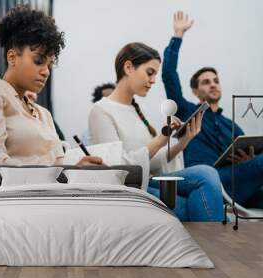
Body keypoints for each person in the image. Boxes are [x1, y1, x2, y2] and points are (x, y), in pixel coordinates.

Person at [0, 5, 102, 192]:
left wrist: (77, 169)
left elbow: (58, 167)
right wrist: (59, 178)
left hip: (38, 198)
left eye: (50, 64)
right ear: (12, 57)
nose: (46, 71)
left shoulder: (43, 114)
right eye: (39, 61)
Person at [88, 42, 223, 221]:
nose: (153, 80)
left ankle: (209, 243)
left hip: (153, 180)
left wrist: (184, 140)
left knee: (206, 176)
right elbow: (116, 170)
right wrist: (160, 139)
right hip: (133, 189)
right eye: (150, 73)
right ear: (128, 67)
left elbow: (153, 161)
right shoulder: (101, 111)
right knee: (206, 191)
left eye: (155, 75)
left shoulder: (137, 110)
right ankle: (215, 242)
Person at [162, 11, 263, 209]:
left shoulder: (232, 126)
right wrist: (178, 35)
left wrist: (250, 159)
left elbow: (250, 158)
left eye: (216, 81)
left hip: (240, 186)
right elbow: (168, 75)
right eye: (206, 82)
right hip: (211, 181)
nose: (213, 85)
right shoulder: (188, 113)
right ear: (195, 91)